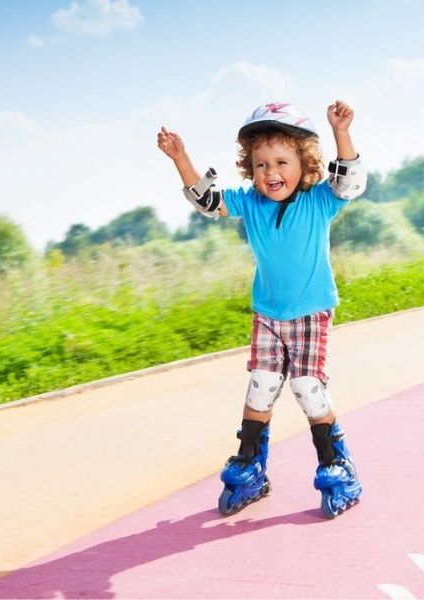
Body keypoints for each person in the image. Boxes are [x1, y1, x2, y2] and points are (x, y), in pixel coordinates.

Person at [157, 100, 366, 518]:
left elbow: (349, 182)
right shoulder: (250, 202)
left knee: (308, 388)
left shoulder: (320, 200)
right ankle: (251, 464)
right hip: (267, 314)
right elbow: (208, 202)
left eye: (282, 162)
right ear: (250, 168)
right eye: (261, 164)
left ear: (304, 163)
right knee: (262, 384)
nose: (271, 173)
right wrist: (181, 159)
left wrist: (341, 132)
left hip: (311, 312)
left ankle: (337, 464)